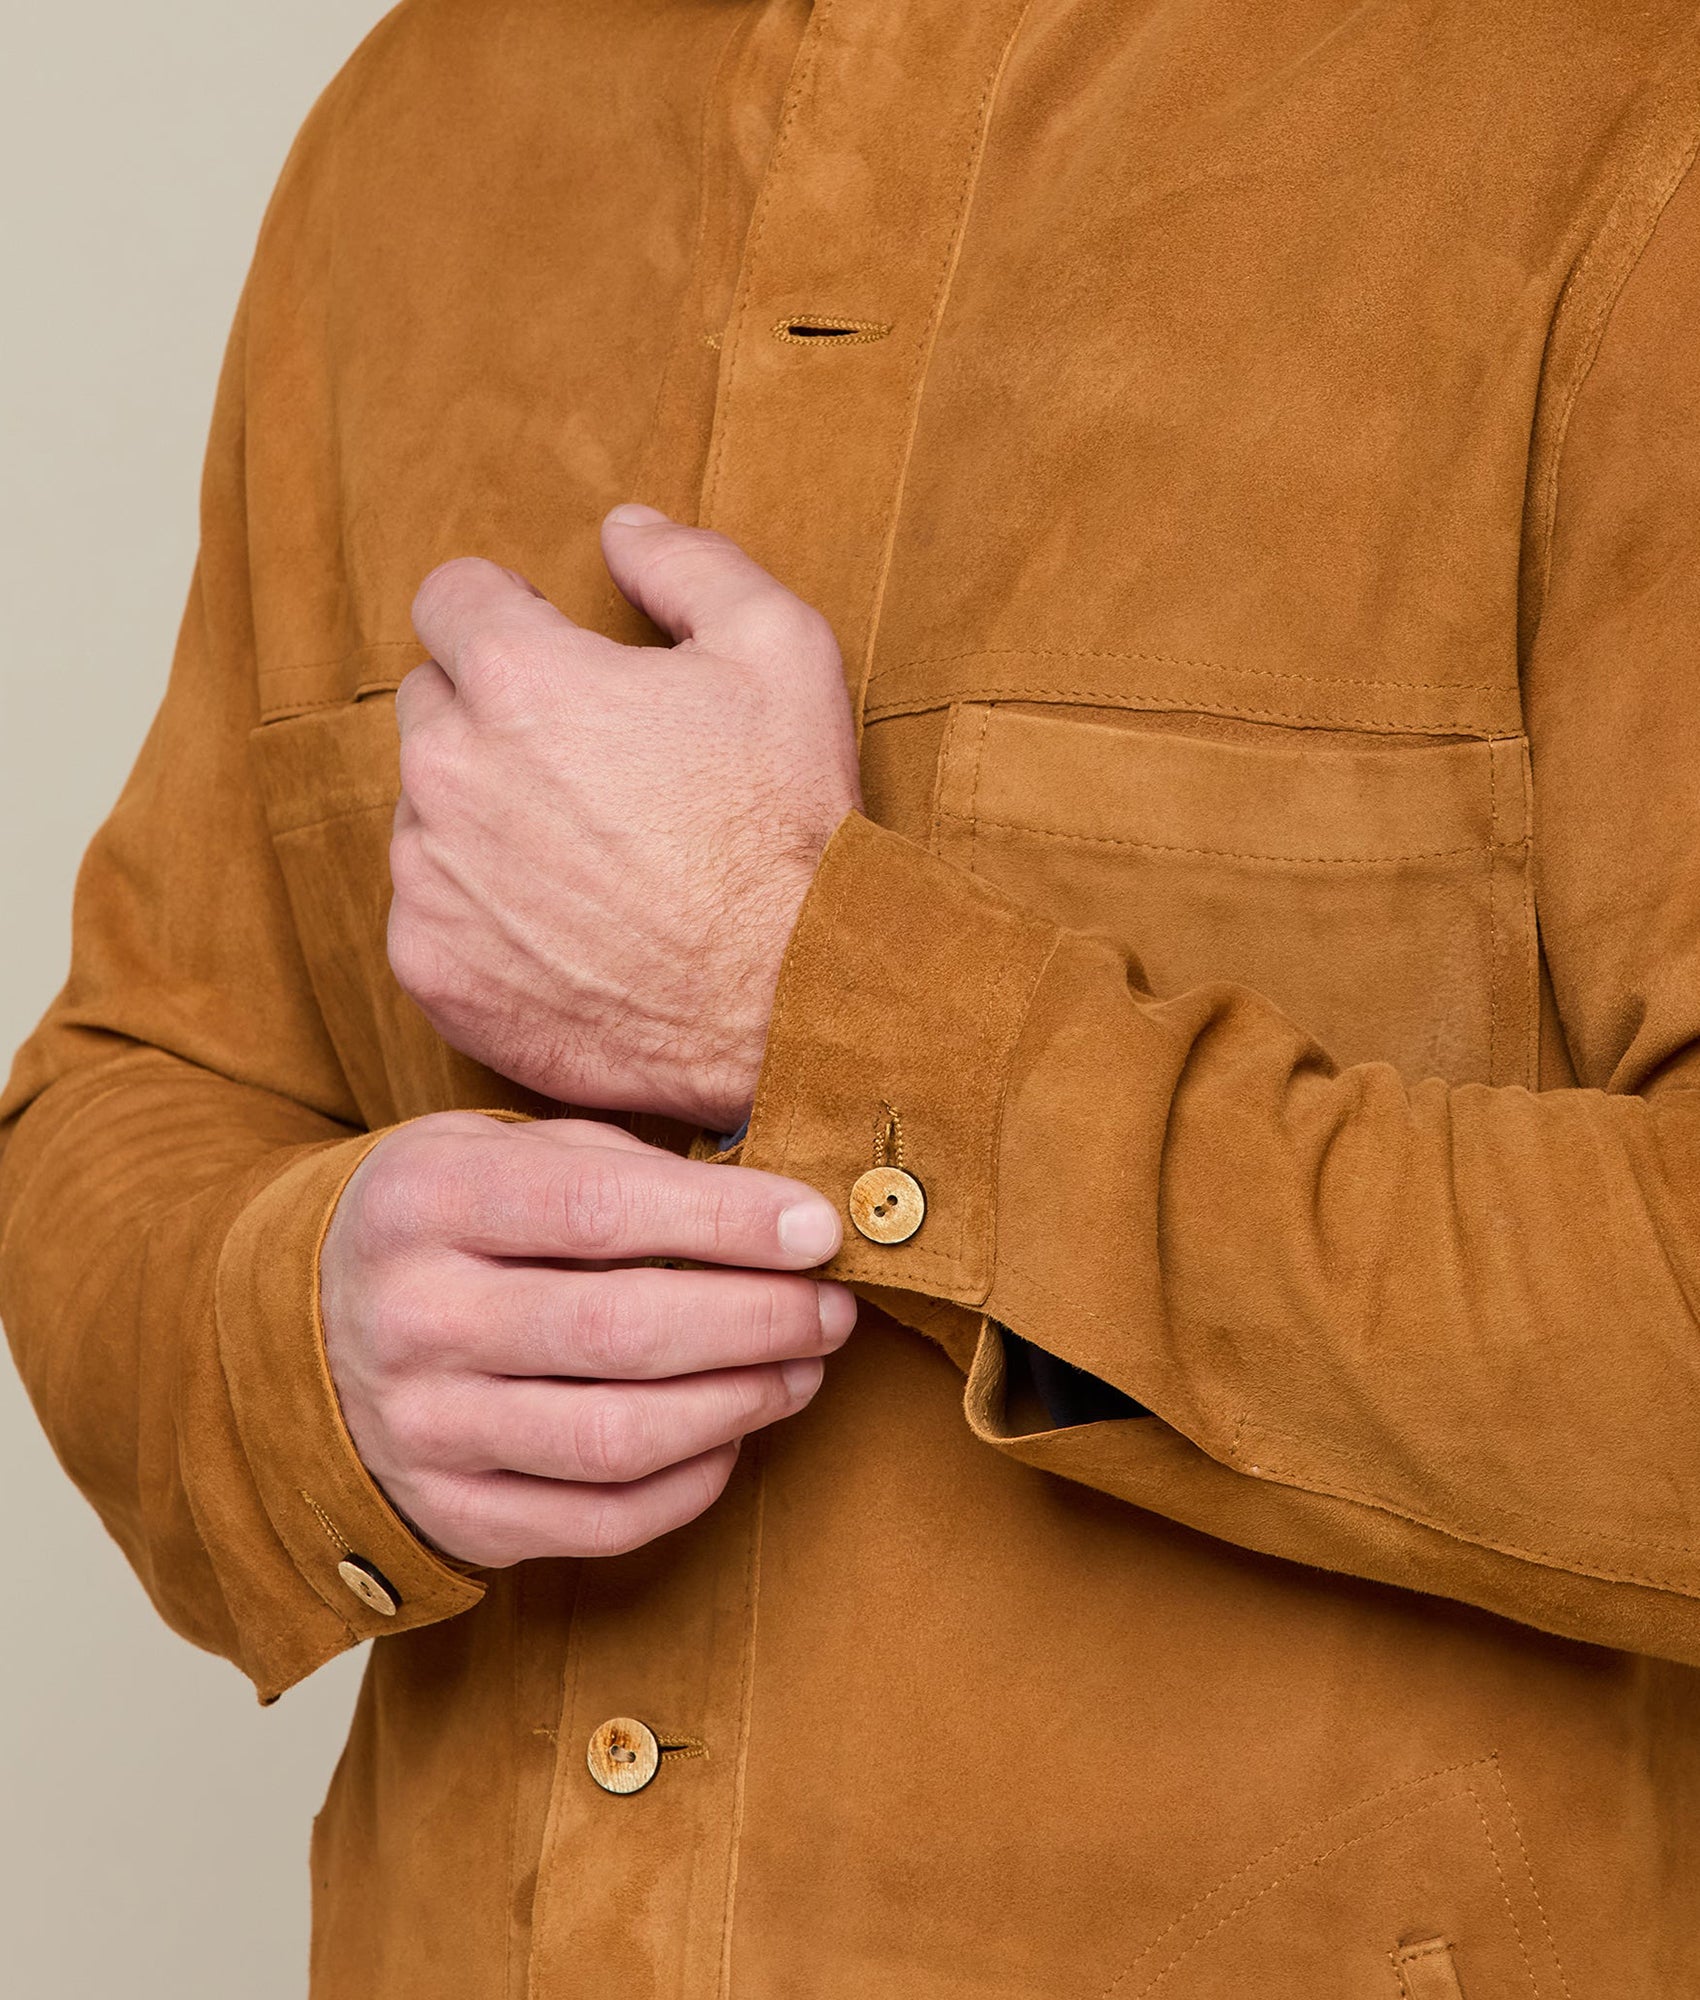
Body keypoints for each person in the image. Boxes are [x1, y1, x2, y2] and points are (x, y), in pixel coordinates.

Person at [5, 1, 1700, 1992]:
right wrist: (309, 1344)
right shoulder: (414, 124)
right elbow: (136, 1079)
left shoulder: (1627, 103)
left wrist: (813, 996)